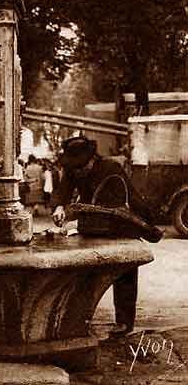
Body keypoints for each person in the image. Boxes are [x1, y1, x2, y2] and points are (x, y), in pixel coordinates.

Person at [52, 136, 156, 336]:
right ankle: (81, 317)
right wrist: (59, 207)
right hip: (95, 224)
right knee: (87, 271)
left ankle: (125, 322)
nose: (78, 172)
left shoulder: (110, 170)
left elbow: (110, 212)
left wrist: (77, 223)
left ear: (92, 160)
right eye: (74, 168)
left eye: (81, 167)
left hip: (121, 223)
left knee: (124, 272)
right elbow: (63, 189)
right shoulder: (75, 169)